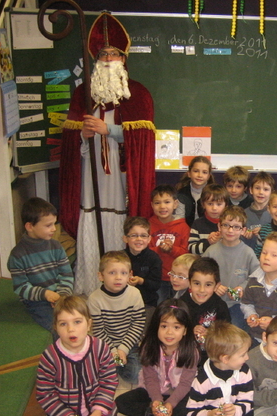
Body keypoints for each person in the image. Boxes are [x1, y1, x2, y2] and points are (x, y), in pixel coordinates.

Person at [59, 12, 156, 296]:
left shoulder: (138, 94)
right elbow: (69, 148)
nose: (108, 58)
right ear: (95, 58)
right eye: (103, 53)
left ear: (124, 58)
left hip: (122, 181)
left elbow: (143, 142)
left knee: (118, 223)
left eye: (114, 53)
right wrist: (82, 135)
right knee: (92, 218)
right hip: (91, 181)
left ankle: (120, 290)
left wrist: (108, 130)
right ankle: (92, 289)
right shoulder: (82, 94)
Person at [36, 296, 119, 416]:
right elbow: (45, 394)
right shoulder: (50, 356)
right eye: (63, 324)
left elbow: (109, 381)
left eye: (77, 322)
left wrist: (98, 409)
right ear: (55, 327)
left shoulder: (100, 348)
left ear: (88, 324)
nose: (71, 329)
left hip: (98, 411)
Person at [115, 298, 199, 416]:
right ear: (156, 327)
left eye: (176, 327)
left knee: (195, 405)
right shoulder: (149, 347)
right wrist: (156, 401)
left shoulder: (191, 351)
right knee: (121, 402)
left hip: (179, 394)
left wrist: (170, 404)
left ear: (185, 330)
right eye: (164, 326)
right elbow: (150, 378)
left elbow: (185, 384)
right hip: (153, 391)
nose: (169, 332)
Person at [175, 322, 263, 416]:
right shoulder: (201, 380)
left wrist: (235, 411)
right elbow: (191, 413)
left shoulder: (244, 372)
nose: (247, 357)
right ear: (225, 359)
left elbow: (247, 402)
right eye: (243, 354)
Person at [7, 197, 73, 332]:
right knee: (59, 327)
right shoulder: (17, 255)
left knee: (78, 317)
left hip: (60, 295)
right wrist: (45, 294)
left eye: (54, 223)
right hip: (37, 301)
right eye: (48, 225)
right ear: (30, 227)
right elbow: (21, 287)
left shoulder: (56, 246)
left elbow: (66, 274)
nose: (54, 229)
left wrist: (62, 294)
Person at [88, 251, 145, 383]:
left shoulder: (135, 294)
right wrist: (113, 351)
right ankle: (114, 364)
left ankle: (117, 365)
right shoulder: (94, 299)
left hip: (130, 343)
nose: (118, 277)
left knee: (136, 375)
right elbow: (98, 330)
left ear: (130, 275)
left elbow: (138, 324)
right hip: (105, 345)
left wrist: (123, 350)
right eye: (112, 273)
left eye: (123, 273)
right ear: (101, 276)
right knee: (91, 371)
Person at [203, 206, 260, 329]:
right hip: (213, 302)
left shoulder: (248, 252)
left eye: (236, 227)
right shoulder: (211, 251)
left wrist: (242, 287)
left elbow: (256, 276)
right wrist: (214, 285)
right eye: (226, 225)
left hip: (238, 305)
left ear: (243, 230)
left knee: (235, 333)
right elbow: (201, 275)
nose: (230, 230)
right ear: (219, 227)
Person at [179, 257, 231, 363]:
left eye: (208, 285)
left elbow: (226, 334)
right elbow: (174, 333)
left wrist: (210, 333)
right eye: (197, 283)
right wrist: (190, 331)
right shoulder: (181, 305)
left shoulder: (220, 306)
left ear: (216, 286)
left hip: (212, 358)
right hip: (185, 356)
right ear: (189, 283)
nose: (201, 290)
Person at [148, 184, 191, 303]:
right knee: (160, 307)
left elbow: (186, 254)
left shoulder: (183, 227)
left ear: (175, 204)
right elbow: (145, 253)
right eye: (157, 203)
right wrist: (159, 249)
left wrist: (172, 249)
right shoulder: (148, 226)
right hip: (158, 278)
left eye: (167, 202)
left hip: (179, 279)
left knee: (180, 307)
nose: (162, 206)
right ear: (152, 205)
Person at [123, 216, 162, 312]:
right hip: (123, 302)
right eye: (134, 235)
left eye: (143, 235)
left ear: (149, 239)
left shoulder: (154, 258)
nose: (139, 239)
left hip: (147, 303)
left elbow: (156, 285)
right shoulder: (119, 258)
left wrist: (141, 281)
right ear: (125, 238)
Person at [188, 184, 230, 255]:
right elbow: (191, 249)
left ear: (226, 205)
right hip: (204, 261)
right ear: (203, 204)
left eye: (219, 204)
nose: (214, 208)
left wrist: (223, 238)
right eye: (210, 204)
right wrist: (208, 243)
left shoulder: (230, 225)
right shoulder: (197, 224)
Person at [175, 156, 215, 227]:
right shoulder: (182, 193)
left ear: (209, 176)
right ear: (189, 173)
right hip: (186, 229)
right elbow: (179, 219)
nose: (200, 175)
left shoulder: (215, 193)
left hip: (209, 230)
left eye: (204, 172)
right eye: (196, 171)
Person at [242, 171, 275, 249]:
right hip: (250, 254)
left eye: (266, 189)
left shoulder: (276, 214)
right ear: (251, 190)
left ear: (272, 193)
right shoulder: (243, 214)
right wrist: (245, 236)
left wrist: (265, 231)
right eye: (257, 188)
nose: (261, 192)